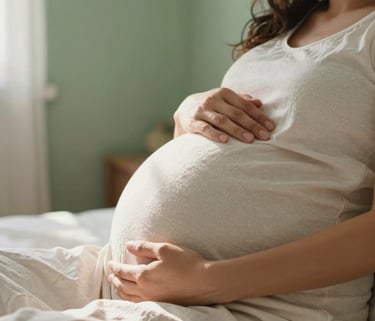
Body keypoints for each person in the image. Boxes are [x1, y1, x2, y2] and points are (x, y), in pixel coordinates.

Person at [0, 0, 374, 320]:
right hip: (118, 273)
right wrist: (189, 113)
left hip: (251, 306)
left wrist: (209, 279)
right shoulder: (292, 24)